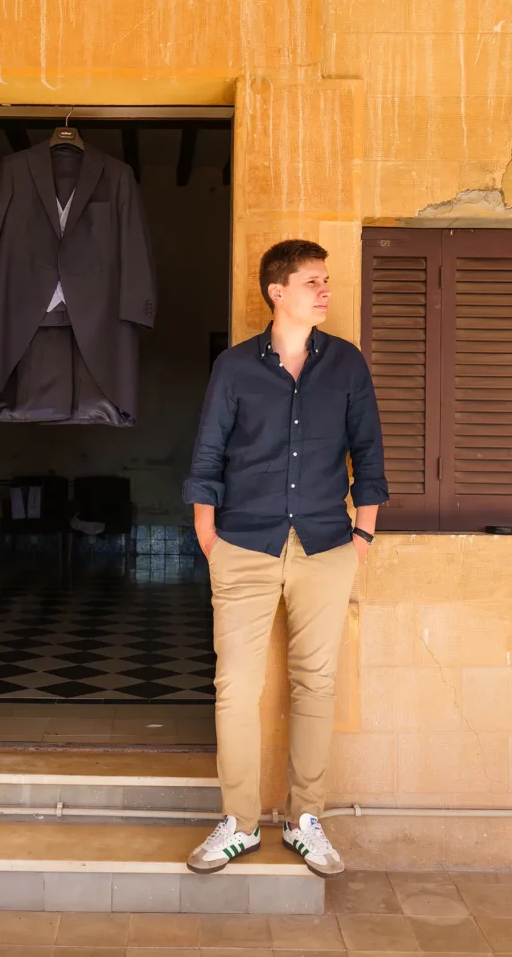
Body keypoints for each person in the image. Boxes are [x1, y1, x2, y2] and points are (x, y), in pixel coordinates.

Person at [183, 239, 388, 877]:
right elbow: (208, 451)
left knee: (316, 684)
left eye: (325, 281)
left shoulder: (346, 364)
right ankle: (240, 824)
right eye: (312, 282)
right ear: (277, 291)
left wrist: (362, 536)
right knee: (236, 687)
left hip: (327, 546)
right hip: (242, 545)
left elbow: (369, 451)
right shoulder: (235, 367)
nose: (325, 291)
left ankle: (305, 822)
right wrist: (209, 536)